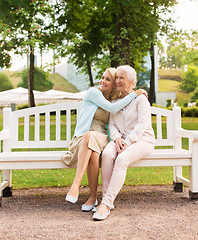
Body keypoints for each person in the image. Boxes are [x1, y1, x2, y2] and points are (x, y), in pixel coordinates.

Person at [62, 68, 147, 212]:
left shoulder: (114, 99)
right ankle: (90, 194)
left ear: (114, 84)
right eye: (102, 77)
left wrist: (134, 94)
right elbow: (112, 109)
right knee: (91, 145)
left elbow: (115, 111)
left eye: (108, 79)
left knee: (92, 139)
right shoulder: (93, 93)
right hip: (82, 138)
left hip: (101, 137)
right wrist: (135, 94)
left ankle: (82, 189)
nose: (102, 81)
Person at [93, 65, 155, 220]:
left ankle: (106, 204)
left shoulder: (141, 100)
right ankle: (106, 198)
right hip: (121, 140)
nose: (118, 81)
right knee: (107, 154)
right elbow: (112, 125)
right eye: (117, 77)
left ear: (131, 81)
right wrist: (117, 138)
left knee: (121, 159)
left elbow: (142, 125)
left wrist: (127, 142)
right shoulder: (115, 101)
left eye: (122, 78)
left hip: (142, 140)